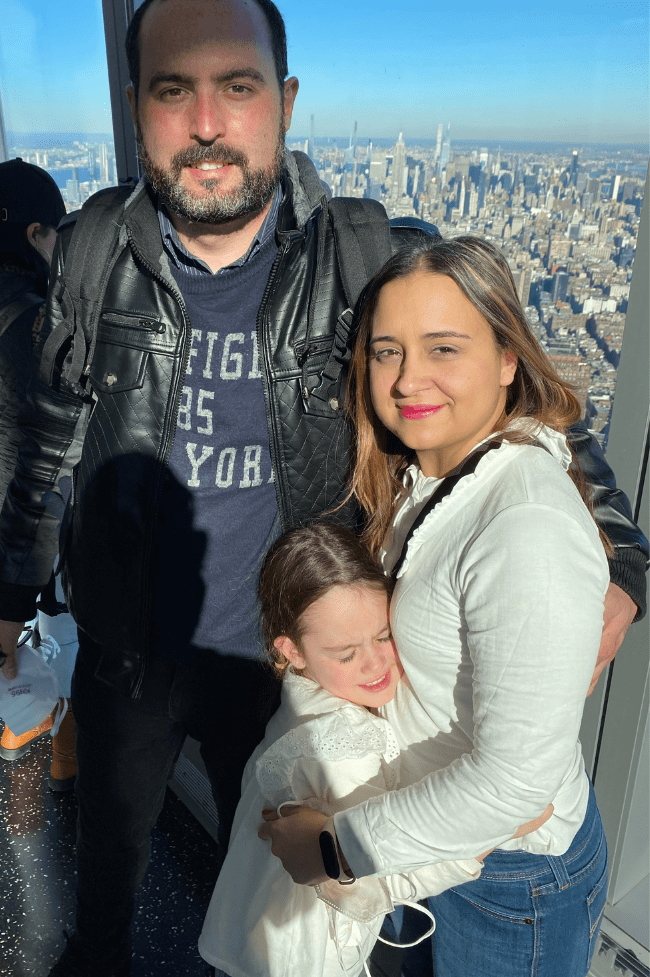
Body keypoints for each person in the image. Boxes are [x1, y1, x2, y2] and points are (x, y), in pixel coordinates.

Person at [0, 0, 644, 974]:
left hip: (285, 659)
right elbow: (48, 426)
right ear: (136, 109)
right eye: (174, 91)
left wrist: (621, 556)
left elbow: (505, 386)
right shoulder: (95, 252)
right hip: (132, 648)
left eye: (239, 87)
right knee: (109, 870)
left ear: (284, 103)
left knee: (268, 879)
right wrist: (12, 594)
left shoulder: (359, 252)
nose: (208, 122)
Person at [257, 236, 647, 977]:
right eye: (387, 352)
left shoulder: (521, 521)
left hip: (506, 877)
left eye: (443, 348)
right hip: (440, 844)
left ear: (507, 360)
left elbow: (514, 785)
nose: (408, 379)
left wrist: (335, 847)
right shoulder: (428, 479)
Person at [200, 521, 552, 977]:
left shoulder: (302, 695)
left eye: (384, 636)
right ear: (292, 650)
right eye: (345, 653)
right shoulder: (340, 746)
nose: (375, 664)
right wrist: (495, 828)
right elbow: (369, 884)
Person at [0, 158, 78, 791]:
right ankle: (56, 756)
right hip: (14, 547)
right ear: (33, 236)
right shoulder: (30, 327)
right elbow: (44, 470)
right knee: (63, 637)